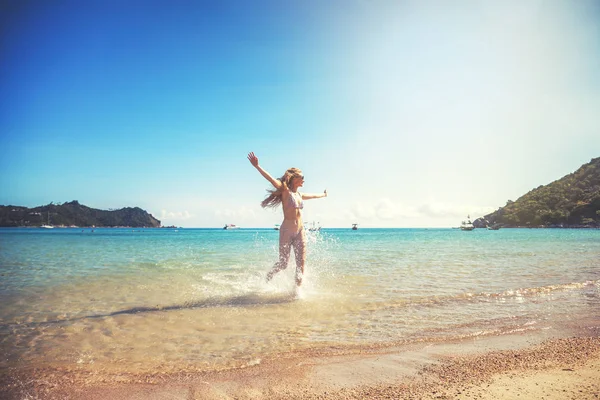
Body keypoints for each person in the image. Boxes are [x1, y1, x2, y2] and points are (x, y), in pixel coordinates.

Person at [248, 152, 327, 286]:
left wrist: (323, 195)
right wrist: (257, 166)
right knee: (283, 263)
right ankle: (268, 277)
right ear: (294, 178)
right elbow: (271, 179)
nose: (304, 180)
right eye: (302, 177)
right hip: (286, 231)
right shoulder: (285, 191)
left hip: (300, 230)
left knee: (301, 265)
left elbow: (313, 195)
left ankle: (297, 294)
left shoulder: (299, 194)